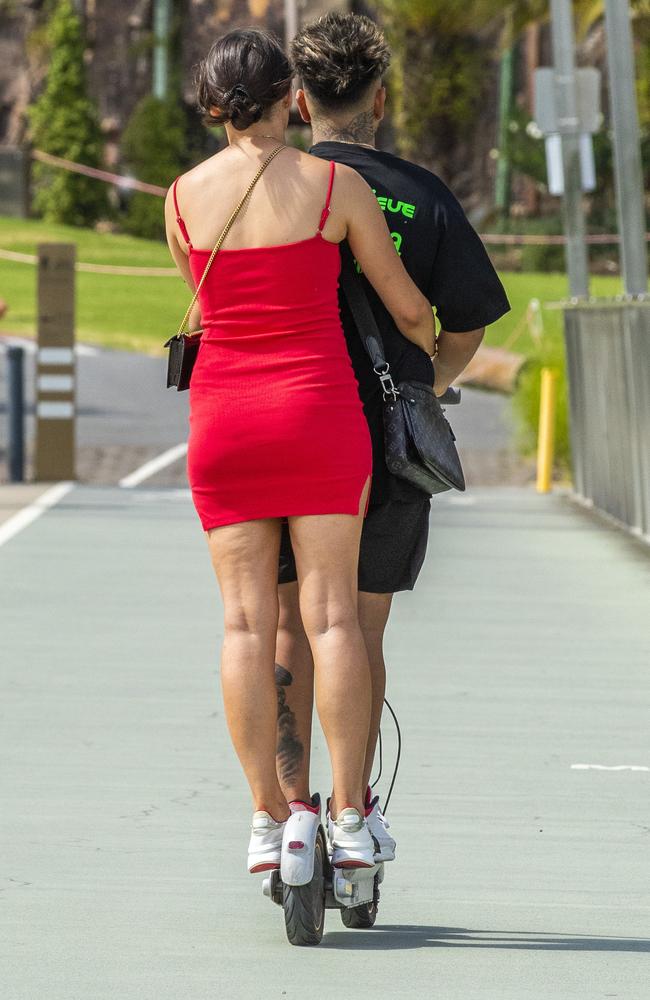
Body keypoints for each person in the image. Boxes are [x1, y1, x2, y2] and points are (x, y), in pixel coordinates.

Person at [164, 28, 436, 873]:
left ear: (212, 105)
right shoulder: (334, 186)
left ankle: (266, 820)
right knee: (331, 618)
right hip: (319, 415)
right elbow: (406, 309)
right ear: (294, 97)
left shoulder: (180, 198)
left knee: (246, 622)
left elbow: (207, 308)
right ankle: (349, 819)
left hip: (226, 424)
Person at [274, 12, 511, 860]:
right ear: (383, 97)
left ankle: (288, 813)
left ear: (299, 101)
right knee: (359, 632)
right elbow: (471, 320)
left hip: (289, 425)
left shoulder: (277, 187)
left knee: (286, 629)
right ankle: (353, 813)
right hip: (388, 441)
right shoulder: (419, 194)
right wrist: (424, 388)